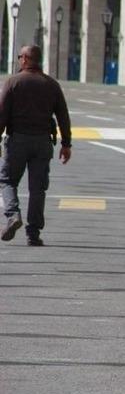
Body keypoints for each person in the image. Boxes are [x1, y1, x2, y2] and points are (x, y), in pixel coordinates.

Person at [0, 45, 72, 247]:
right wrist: (66, 144)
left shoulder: (13, 82)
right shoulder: (51, 84)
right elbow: (63, 116)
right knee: (38, 189)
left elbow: (2, 115)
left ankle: (13, 214)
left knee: (7, 180)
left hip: (18, 141)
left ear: (24, 59)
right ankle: (33, 233)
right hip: (42, 142)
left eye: (19, 57)